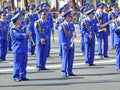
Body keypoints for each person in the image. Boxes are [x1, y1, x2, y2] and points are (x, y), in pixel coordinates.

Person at [10, 12, 31, 82]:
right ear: (16, 21)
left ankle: (23, 75)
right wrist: (27, 35)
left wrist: (28, 35)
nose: (21, 21)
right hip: (18, 49)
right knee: (17, 64)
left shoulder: (20, 28)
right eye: (19, 19)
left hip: (24, 48)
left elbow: (24, 36)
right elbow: (19, 36)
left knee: (24, 63)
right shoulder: (13, 29)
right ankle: (16, 76)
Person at [59, 10, 76, 77]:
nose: (70, 18)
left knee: (71, 58)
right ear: (65, 18)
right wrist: (63, 44)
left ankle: (70, 71)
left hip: (71, 43)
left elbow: (73, 33)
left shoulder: (71, 24)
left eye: (71, 17)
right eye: (69, 17)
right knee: (65, 58)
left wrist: (74, 36)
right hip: (66, 43)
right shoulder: (62, 26)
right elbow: (61, 36)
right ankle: (64, 71)